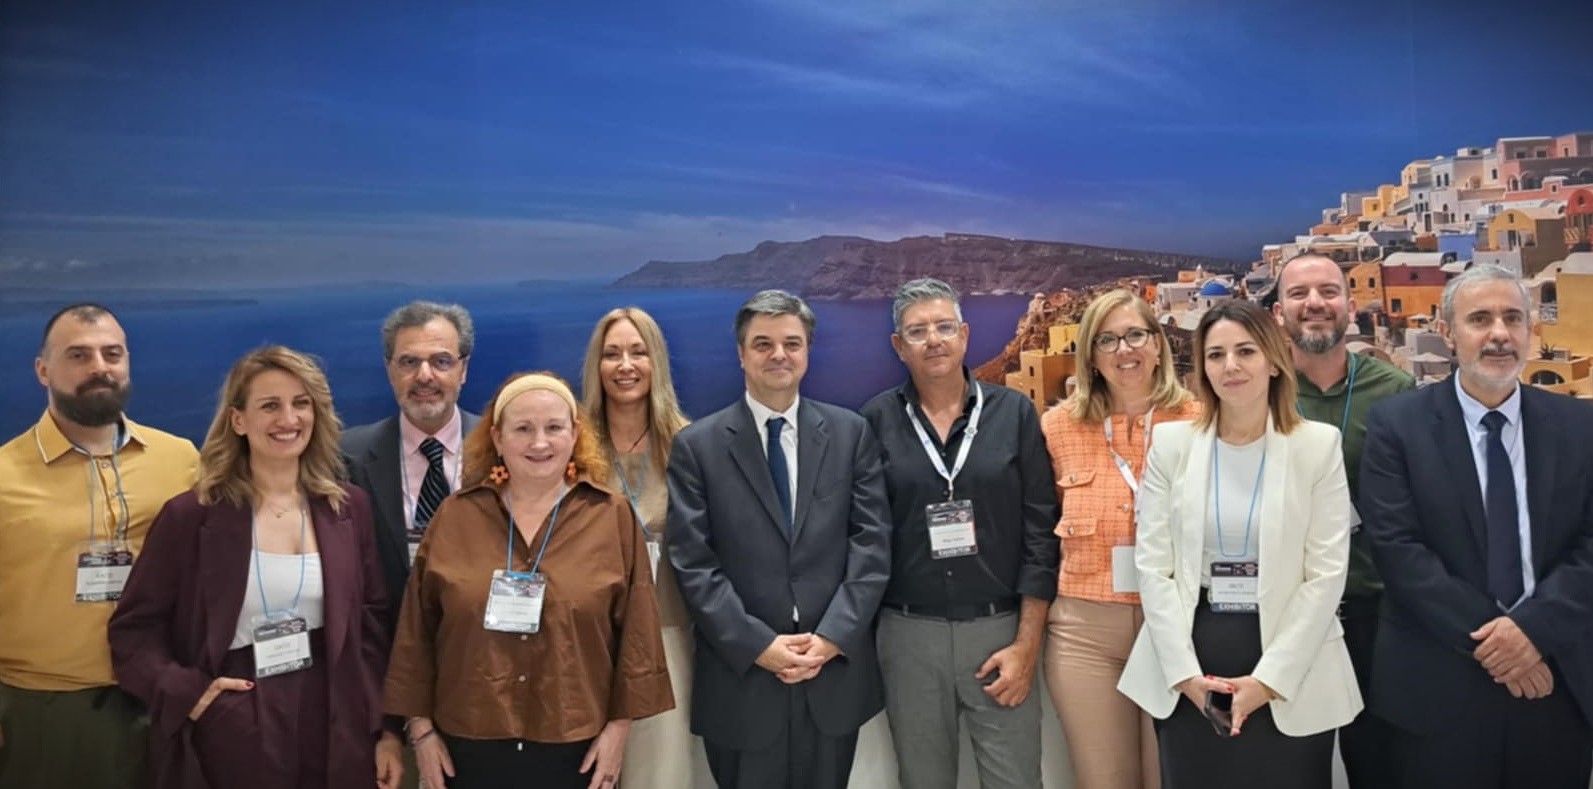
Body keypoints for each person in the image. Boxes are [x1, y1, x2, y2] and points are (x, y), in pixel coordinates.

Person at [107, 345, 398, 789]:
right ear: (238, 420)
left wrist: (382, 727)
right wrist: (191, 695)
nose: (289, 419)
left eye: (301, 403)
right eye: (270, 406)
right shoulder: (191, 517)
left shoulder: (348, 508)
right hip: (236, 718)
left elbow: (372, 625)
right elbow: (134, 631)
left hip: (335, 717)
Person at [1361, 264, 1593, 788]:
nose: (1499, 334)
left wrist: (1534, 631)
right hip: (1439, 686)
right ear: (1447, 333)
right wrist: (1508, 646)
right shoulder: (1397, 426)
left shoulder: (1581, 426)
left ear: (1531, 329)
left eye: (1513, 318)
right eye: (1480, 319)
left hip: (1555, 681)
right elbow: (1398, 551)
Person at [385, 372, 673, 789]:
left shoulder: (611, 516)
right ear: (498, 438)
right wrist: (421, 730)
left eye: (554, 428)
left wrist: (618, 731)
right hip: (465, 743)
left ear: (574, 434)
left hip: (576, 745)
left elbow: (638, 634)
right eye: (523, 429)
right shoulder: (455, 516)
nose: (540, 443)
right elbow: (416, 631)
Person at [1117, 299, 1361, 789]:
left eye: (1246, 351)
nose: (1230, 366)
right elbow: (1154, 568)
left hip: (1290, 661)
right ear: (1203, 369)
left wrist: (1268, 681)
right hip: (1192, 657)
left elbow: (1326, 575)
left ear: (1273, 361)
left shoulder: (1318, 446)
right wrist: (1185, 676)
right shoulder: (1172, 445)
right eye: (1216, 354)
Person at [666, 289, 891, 789]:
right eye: (763, 344)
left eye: (792, 343)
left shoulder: (850, 434)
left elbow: (871, 547)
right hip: (742, 680)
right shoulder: (697, 447)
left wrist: (832, 637)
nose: (779, 355)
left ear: (807, 351)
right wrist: (757, 644)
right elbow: (693, 563)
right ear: (741, 354)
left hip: (830, 673)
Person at [859, 278, 1059, 789]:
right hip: (908, 637)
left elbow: (1041, 533)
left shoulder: (1013, 413)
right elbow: (863, 536)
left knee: (1016, 781)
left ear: (964, 335)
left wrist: (1027, 645)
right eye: (917, 331)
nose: (933, 340)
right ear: (898, 346)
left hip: (1000, 633)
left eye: (944, 326)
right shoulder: (874, 422)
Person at [0, 304, 200, 789]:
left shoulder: (181, 460)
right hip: (45, 709)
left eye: (112, 354)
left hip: (162, 700)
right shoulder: (4, 475)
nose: (99, 367)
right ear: (43, 370)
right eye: (78, 355)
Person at [1040, 289, 1200, 789]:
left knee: (1170, 777)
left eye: (1135, 335)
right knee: (1102, 779)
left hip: (1176, 628)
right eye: (1106, 340)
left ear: (1157, 344)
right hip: (1083, 634)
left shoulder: (1200, 422)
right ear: (1090, 355)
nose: (1123, 350)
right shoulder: (1057, 428)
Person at [1271, 252, 1413, 789]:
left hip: (1376, 612)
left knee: (1380, 767)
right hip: (1286, 615)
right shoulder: (1258, 392)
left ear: (1351, 307)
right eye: (1298, 294)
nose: (1315, 304)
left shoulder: (1395, 393)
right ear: (1278, 312)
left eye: (1329, 292)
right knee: (1289, 769)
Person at [578, 307, 702, 788]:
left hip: (668, 636)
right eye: (612, 354)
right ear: (597, 366)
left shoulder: (691, 445)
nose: (625, 365)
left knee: (661, 773)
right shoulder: (572, 448)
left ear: (657, 363)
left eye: (638, 352)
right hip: (587, 641)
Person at [343, 300, 479, 628]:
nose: (424, 376)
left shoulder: (506, 449)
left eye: (441, 361)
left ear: (463, 369)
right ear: (390, 370)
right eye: (409, 362)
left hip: (481, 646)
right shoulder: (346, 456)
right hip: (386, 645)